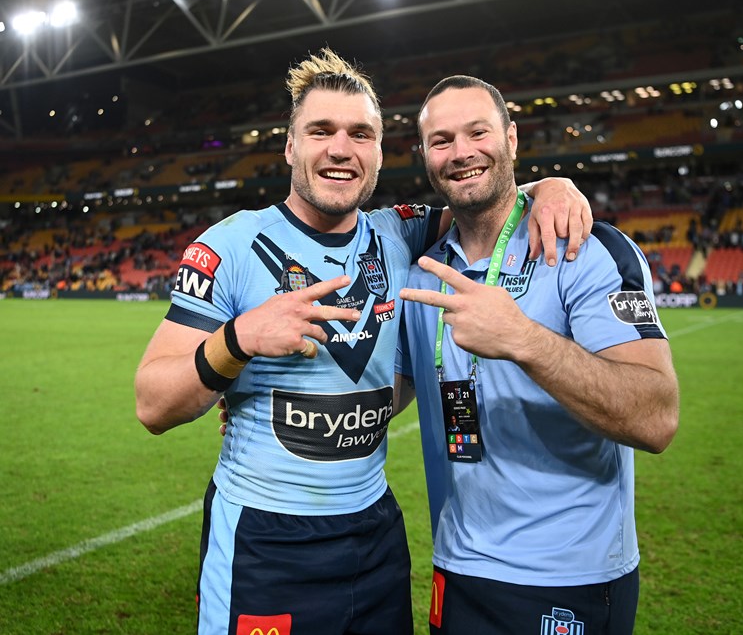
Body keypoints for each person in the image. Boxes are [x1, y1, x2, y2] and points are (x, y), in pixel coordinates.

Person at [134, 49, 593, 635]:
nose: (341, 149)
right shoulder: (230, 245)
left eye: (361, 133)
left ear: (379, 151)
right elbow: (153, 404)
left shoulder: (400, 231)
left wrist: (552, 185)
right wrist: (240, 338)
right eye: (320, 131)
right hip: (265, 536)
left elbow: (484, 192)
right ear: (291, 147)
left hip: (375, 533)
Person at [396, 75, 680, 635]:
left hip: (569, 577)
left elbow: (657, 416)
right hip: (457, 568)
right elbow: (390, 390)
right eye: (442, 140)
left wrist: (525, 340)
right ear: (426, 157)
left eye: (478, 132)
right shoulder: (421, 268)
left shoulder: (588, 251)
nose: (461, 153)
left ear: (513, 140)